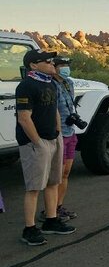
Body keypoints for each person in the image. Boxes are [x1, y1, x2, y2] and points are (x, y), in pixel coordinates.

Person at [16, 49, 75, 246]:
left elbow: (55, 110)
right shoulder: (26, 86)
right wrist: (38, 142)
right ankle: (30, 229)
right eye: (47, 61)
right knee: (34, 187)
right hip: (35, 143)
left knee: (52, 182)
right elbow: (24, 117)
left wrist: (58, 133)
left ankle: (51, 220)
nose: (52, 63)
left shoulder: (50, 83)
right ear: (33, 65)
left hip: (53, 139)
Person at [38, 57, 78, 222]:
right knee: (56, 176)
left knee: (66, 173)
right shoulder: (50, 85)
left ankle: (59, 206)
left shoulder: (69, 83)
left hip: (70, 132)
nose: (65, 68)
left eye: (67, 65)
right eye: (61, 65)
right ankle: (49, 211)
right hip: (58, 133)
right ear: (54, 67)